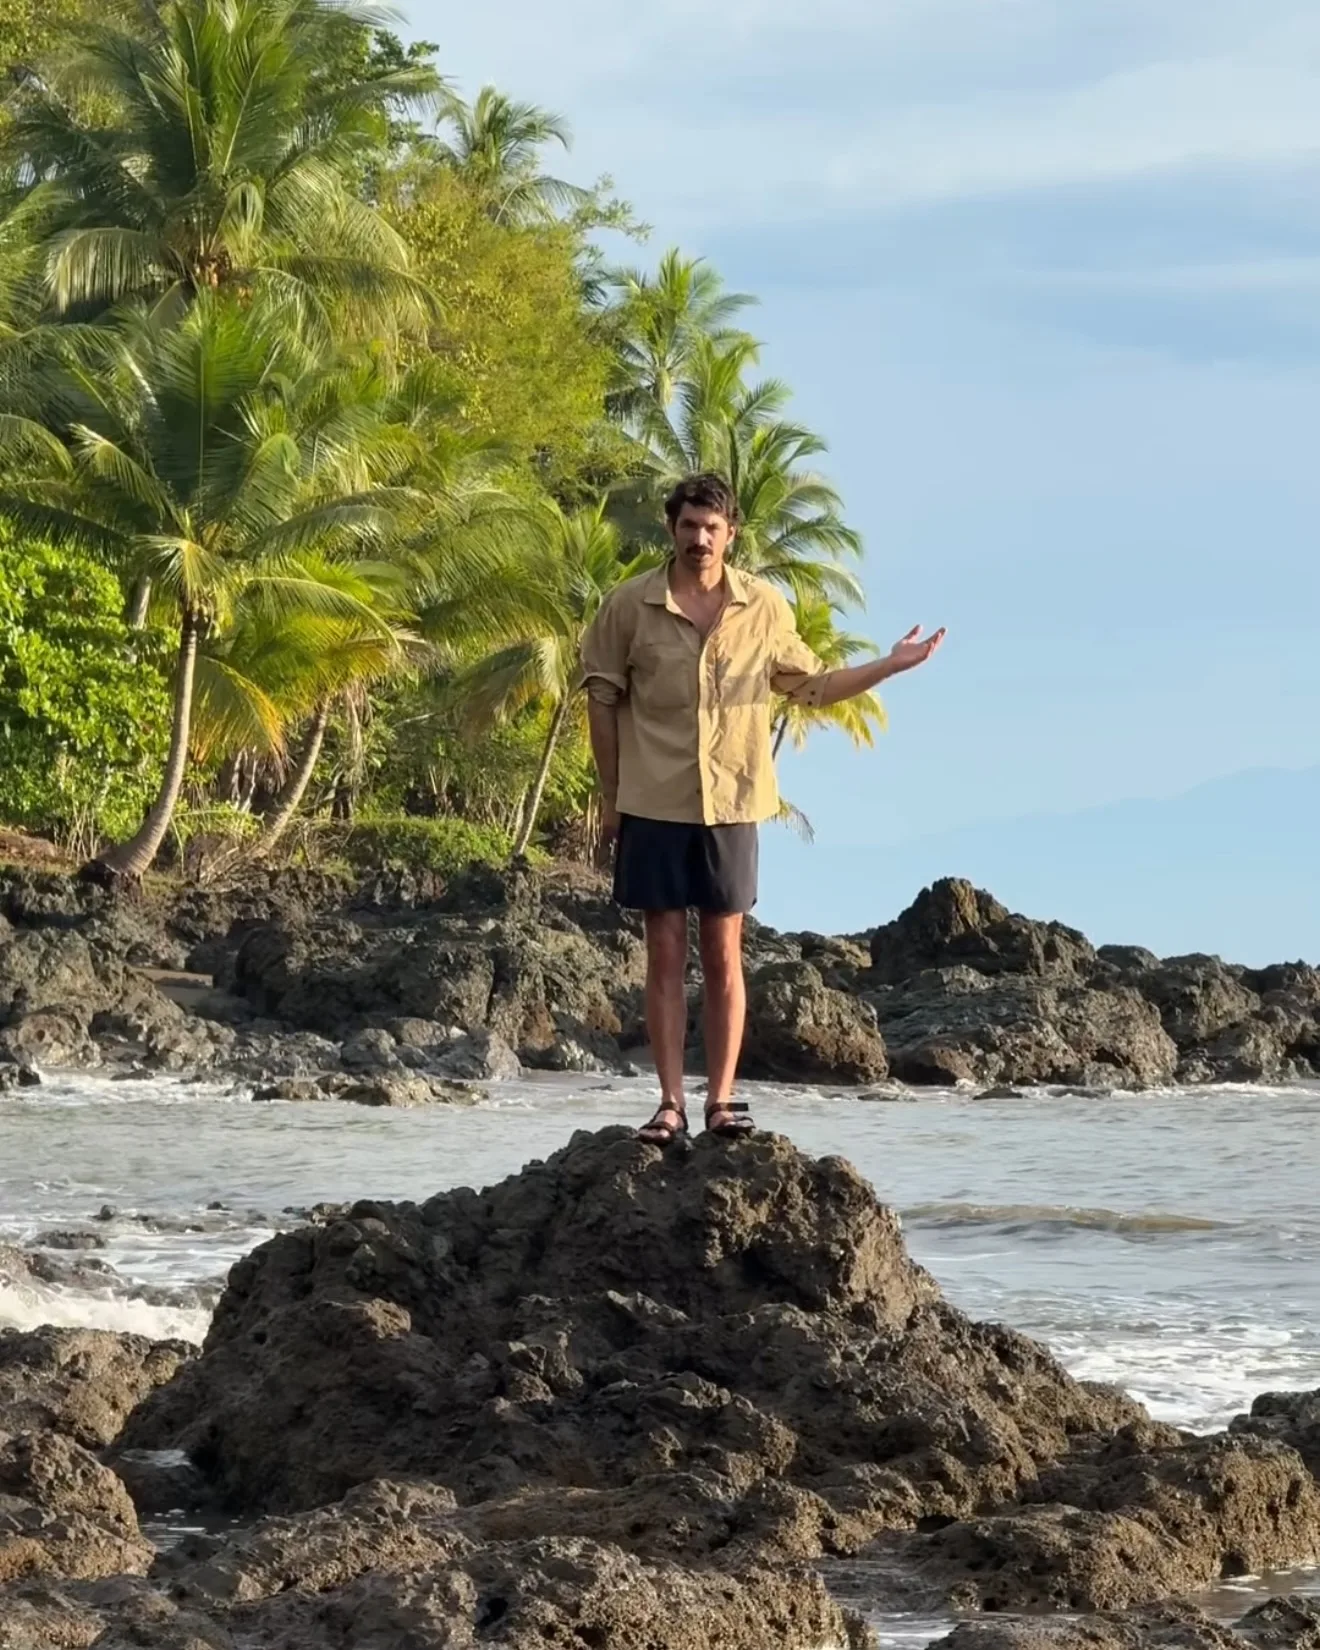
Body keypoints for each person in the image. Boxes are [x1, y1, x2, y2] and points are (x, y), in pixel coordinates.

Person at [579, 472, 944, 1144]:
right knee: (662, 952)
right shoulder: (628, 606)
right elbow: (601, 701)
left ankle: (720, 1101)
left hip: (735, 801)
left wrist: (890, 665)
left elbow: (813, 687)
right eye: (688, 526)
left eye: (711, 527)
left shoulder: (765, 607)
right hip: (653, 799)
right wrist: (610, 797)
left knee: (723, 953)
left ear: (731, 533)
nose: (699, 539)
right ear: (672, 529)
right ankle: (668, 1103)